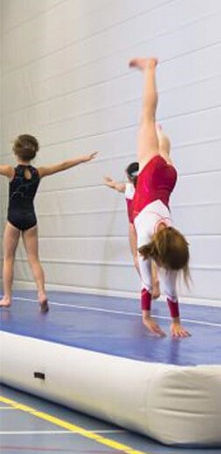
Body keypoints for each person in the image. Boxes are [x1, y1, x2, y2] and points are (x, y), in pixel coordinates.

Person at [129, 58, 191, 339]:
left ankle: (161, 136)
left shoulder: (172, 241)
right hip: (153, 176)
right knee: (147, 116)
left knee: (161, 146)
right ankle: (150, 67)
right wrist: (146, 316)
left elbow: (169, 288)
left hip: (168, 179)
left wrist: (175, 321)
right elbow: (147, 283)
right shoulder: (146, 240)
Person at [0, 134, 97, 311]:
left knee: (8, 259)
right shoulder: (39, 172)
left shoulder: (10, 171)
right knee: (34, 259)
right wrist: (82, 159)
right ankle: (42, 293)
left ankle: (7, 297)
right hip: (31, 220)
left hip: (13, 219)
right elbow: (62, 165)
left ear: (16, 152)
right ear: (33, 153)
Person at [103, 162, 160, 300]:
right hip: (147, 222)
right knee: (151, 255)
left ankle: (148, 283)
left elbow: (115, 185)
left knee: (136, 257)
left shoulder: (127, 188)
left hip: (134, 225)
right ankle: (155, 279)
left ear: (129, 177)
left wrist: (109, 183)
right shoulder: (149, 188)